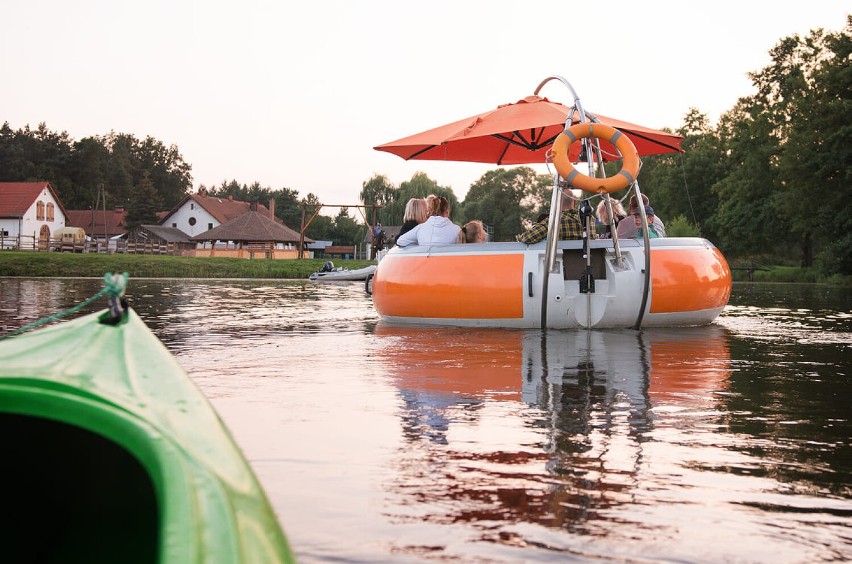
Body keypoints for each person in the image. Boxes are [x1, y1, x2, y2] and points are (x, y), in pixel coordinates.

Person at [516, 190, 583, 244]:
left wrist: (519, 237)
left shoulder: (553, 222)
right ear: (574, 202)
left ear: (556, 202)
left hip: (559, 259)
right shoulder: (589, 219)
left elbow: (528, 238)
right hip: (586, 259)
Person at [396, 195, 460, 247]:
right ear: (447, 211)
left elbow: (400, 241)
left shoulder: (420, 228)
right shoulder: (457, 230)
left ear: (431, 210)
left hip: (426, 262)